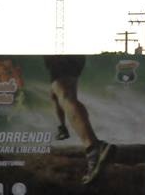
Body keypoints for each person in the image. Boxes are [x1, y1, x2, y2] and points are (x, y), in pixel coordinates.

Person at [44, 56, 114, 184]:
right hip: (66, 57)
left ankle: (94, 148)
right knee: (56, 93)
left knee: (65, 94)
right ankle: (62, 128)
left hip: (60, 56)